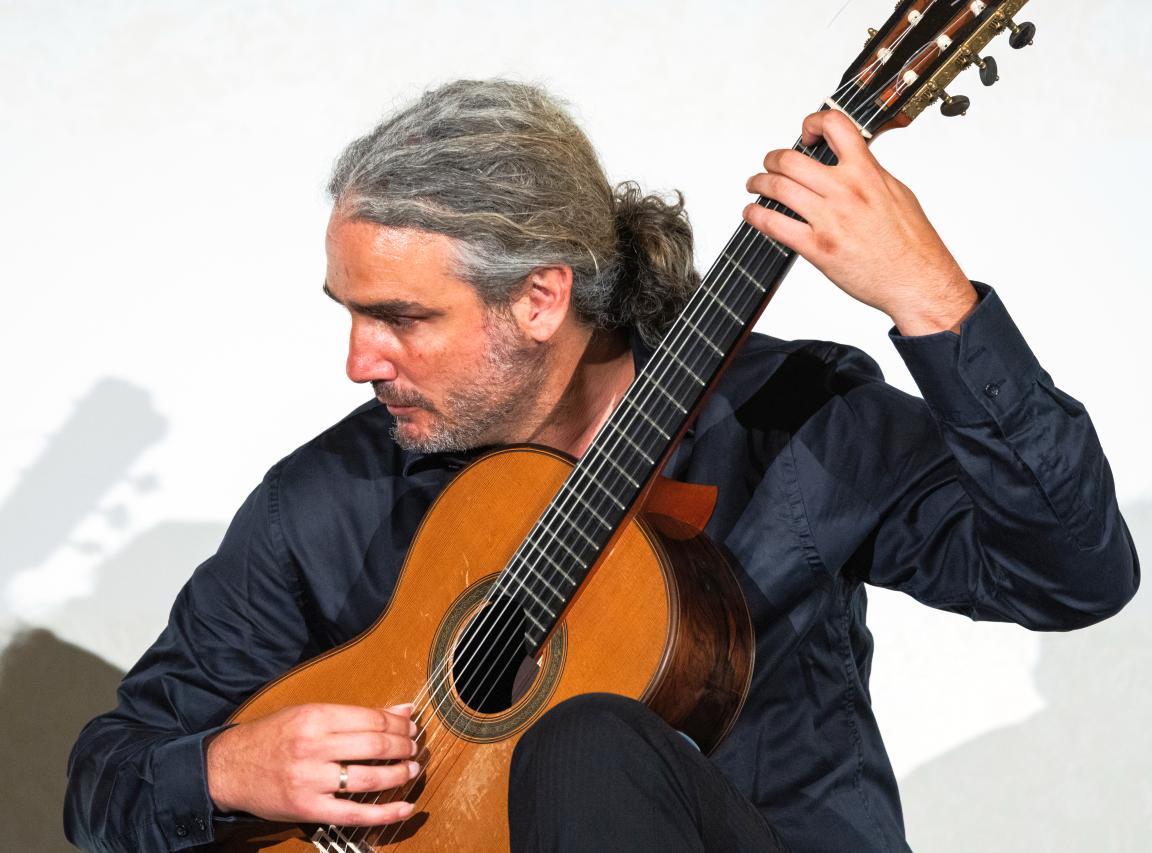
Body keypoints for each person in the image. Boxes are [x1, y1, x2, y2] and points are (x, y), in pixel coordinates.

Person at [64, 80, 1139, 853]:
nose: (358, 360)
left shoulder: (792, 424)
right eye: (349, 313)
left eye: (401, 318)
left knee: (582, 744)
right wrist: (226, 769)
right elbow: (108, 775)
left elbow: (1073, 576)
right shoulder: (328, 499)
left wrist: (933, 301)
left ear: (540, 298)